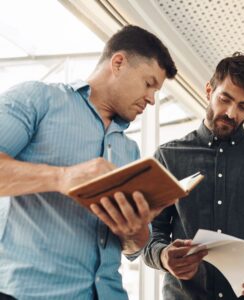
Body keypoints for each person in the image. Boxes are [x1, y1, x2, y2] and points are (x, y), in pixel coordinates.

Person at [0, 25, 177, 300]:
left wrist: (135, 230)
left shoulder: (129, 150)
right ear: (118, 63)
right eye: (148, 83)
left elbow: (133, 249)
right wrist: (62, 177)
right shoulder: (39, 99)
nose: (152, 99)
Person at [143, 52, 244, 300]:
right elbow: (150, 230)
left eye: (243, 106)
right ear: (209, 90)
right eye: (225, 99)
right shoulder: (167, 157)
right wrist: (163, 256)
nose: (231, 113)